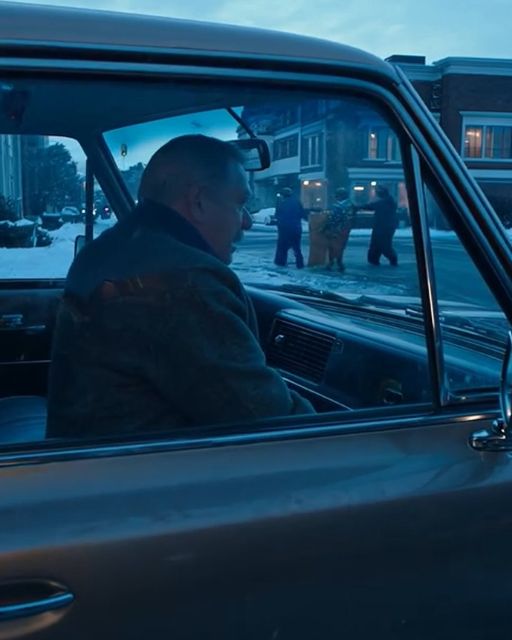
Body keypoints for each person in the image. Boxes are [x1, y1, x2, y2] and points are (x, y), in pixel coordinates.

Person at [47, 135, 314, 438]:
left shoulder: (104, 251)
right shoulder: (185, 284)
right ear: (198, 201)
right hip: (139, 466)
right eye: (240, 204)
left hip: (93, 453)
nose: (247, 222)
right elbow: (273, 424)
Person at [321, 187, 355, 272]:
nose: (336, 197)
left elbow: (333, 219)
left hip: (337, 229)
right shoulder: (350, 205)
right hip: (345, 229)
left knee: (333, 246)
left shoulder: (339, 206)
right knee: (340, 246)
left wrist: (325, 227)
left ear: (340, 196)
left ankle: (334, 263)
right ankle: (338, 262)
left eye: (337, 195)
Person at [365, 185, 399, 266]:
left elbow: (371, 206)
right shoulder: (388, 201)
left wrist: (357, 207)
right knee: (377, 244)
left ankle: (391, 259)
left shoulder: (385, 202)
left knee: (384, 245)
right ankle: (374, 260)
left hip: (383, 227)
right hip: (383, 227)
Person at [273, 187, 306, 269]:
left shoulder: (281, 203)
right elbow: (303, 214)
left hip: (284, 229)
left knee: (282, 247)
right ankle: (300, 264)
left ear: (283, 195)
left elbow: (277, 215)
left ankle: (280, 263)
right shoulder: (297, 202)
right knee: (297, 247)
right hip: (296, 228)